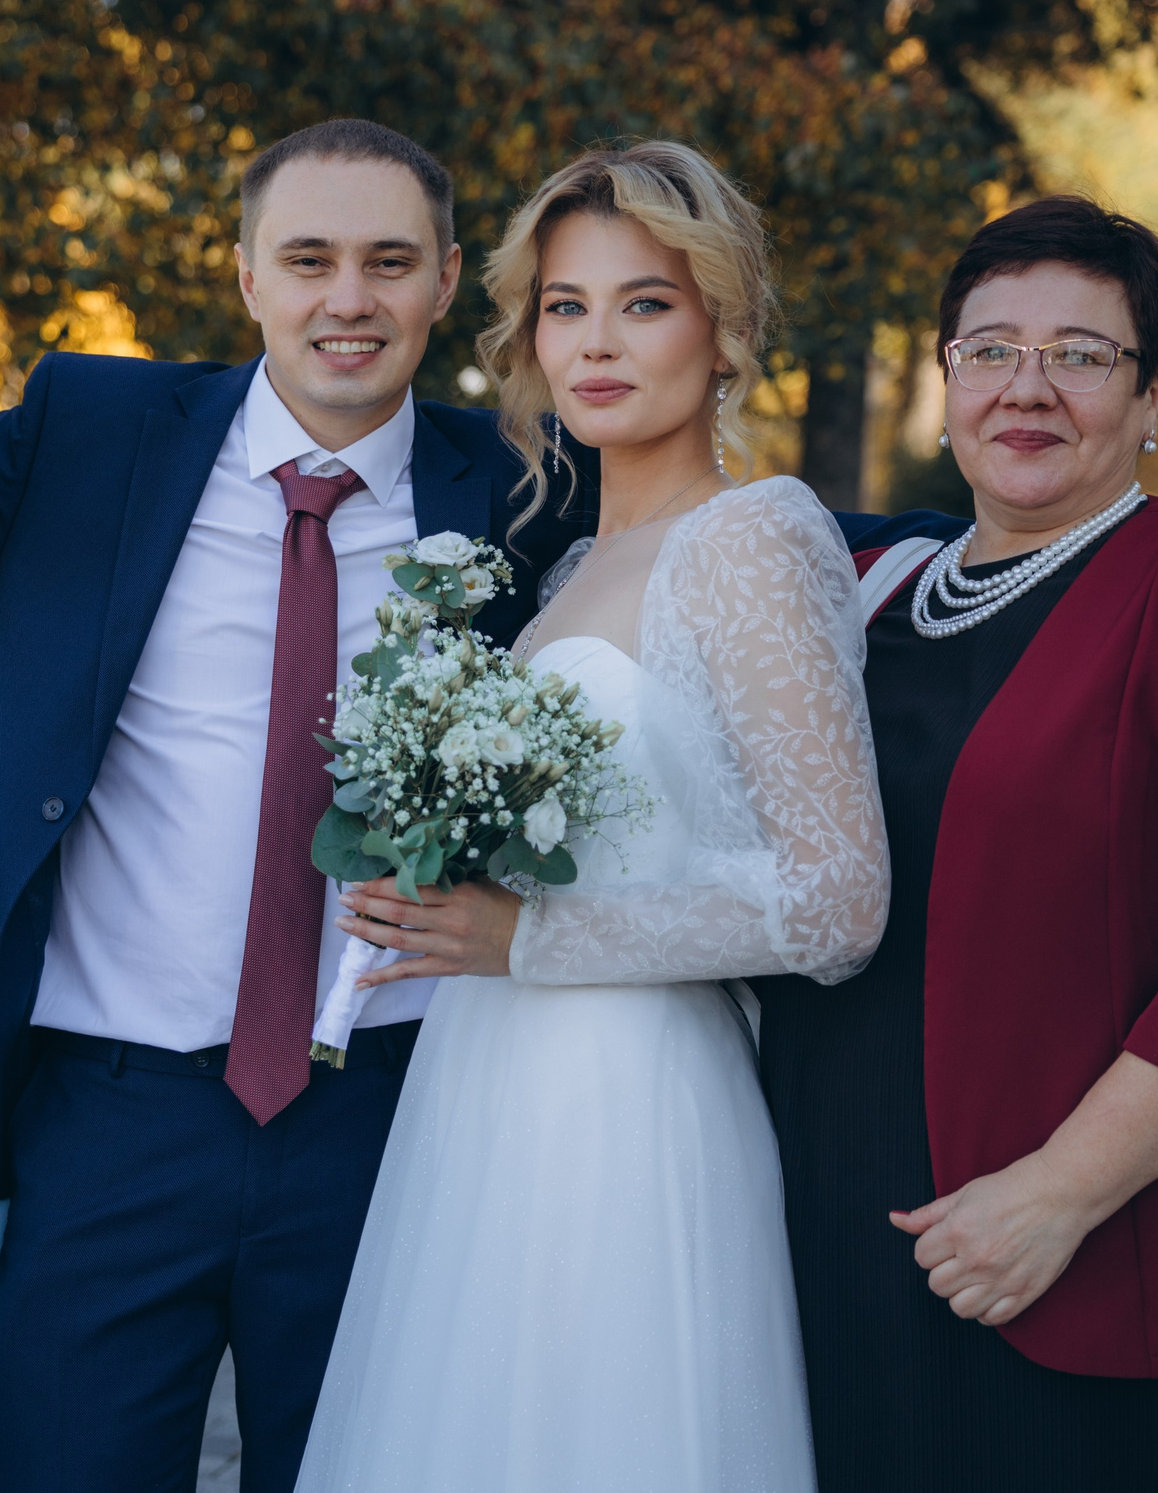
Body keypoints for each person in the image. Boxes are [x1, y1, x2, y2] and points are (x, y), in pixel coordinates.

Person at [0, 122, 956, 1490]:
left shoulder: (518, 481)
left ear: (447, 281)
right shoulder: (95, 432)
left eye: (389, 262)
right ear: (246, 274)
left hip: (396, 1108)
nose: (346, 300)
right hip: (112, 1116)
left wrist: (1004, 551)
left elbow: (736, 543)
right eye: (308, 259)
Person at [756, 195, 1158, 1492]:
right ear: (946, 379)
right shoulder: (863, 595)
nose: (1027, 386)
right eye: (991, 349)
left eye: (1082, 354)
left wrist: (1057, 1192)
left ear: (1152, 391)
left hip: (1118, 1259)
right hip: (850, 1247)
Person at [296, 142, 887, 1492]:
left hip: (631, 1098)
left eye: (645, 302)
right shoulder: (568, 562)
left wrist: (527, 939)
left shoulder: (753, 537)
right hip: (489, 1086)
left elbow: (839, 901)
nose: (596, 342)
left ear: (723, 328)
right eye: (565, 305)